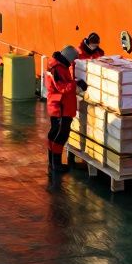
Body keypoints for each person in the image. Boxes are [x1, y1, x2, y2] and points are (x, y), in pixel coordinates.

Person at [44, 46, 85, 190]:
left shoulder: (56, 65)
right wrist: (77, 84)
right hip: (61, 107)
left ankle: (52, 161)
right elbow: (62, 87)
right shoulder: (58, 69)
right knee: (61, 134)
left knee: (54, 132)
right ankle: (56, 164)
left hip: (57, 105)